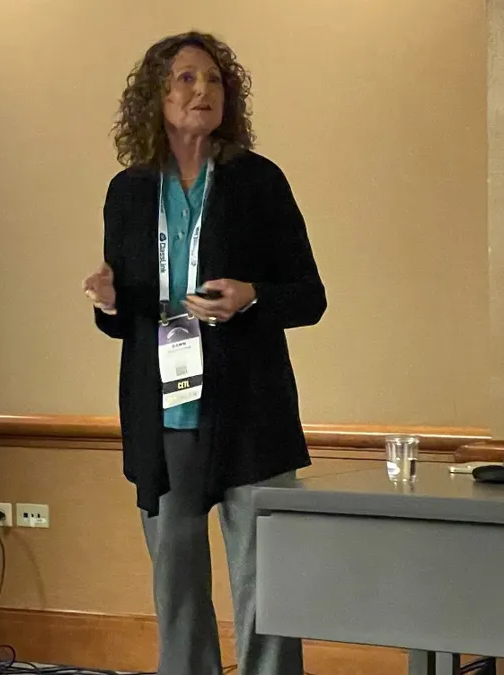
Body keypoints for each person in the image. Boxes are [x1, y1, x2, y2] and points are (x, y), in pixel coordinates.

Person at [83, 32, 326, 675]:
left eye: (214, 80)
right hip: (162, 412)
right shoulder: (128, 191)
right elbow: (126, 318)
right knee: (177, 588)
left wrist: (250, 297)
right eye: (187, 79)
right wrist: (108, 301)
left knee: (265, 584)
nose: (203, 91)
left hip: (251, 410)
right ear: (156, 98)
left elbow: (310, 297)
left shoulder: (259, 181)